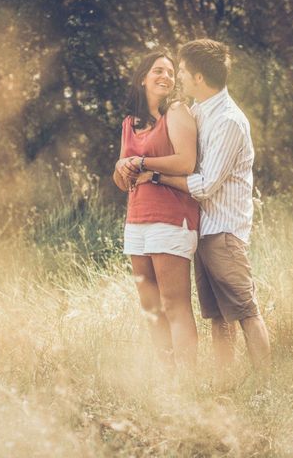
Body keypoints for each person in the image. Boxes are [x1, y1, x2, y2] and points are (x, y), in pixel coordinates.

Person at [130, 39, 271, 380]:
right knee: (217, 316)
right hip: (202, 230)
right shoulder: (197, 112)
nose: (177, 75)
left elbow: (206, 184)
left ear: (197, 77)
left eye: (180, 70)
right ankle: (225, 383)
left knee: (244, 310)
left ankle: (267, 385)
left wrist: (157, 175)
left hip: (224, 232)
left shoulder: (228, 121)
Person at [112, 51, 200, 369]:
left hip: (171, 220)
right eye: (158, 70)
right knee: (150, 308)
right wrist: (122, 166)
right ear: (142, 78)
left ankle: (188, 384)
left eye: (171, 72)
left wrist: (142, 163)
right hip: (136, 222)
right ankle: (167, 379)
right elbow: (123, 181)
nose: (166, 76)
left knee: (174, 304)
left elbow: (186, 163)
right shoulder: (128, 124)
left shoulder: (176, 112)